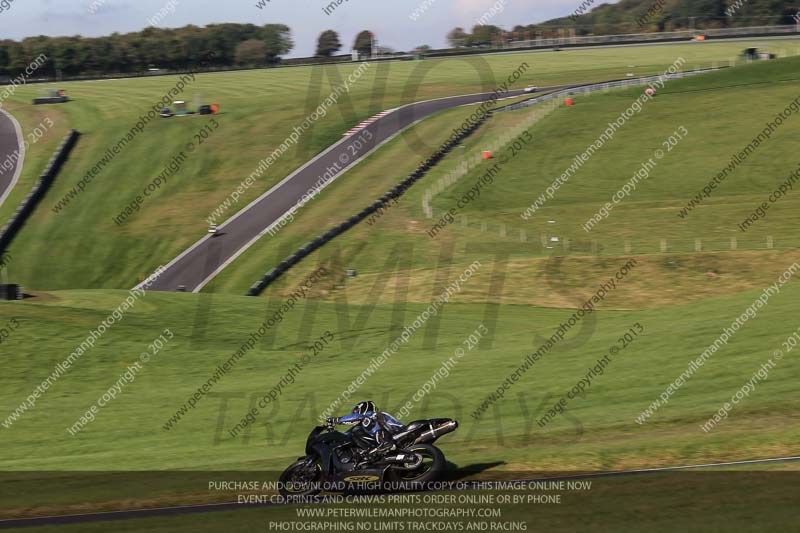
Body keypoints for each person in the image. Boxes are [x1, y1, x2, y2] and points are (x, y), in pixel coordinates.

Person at [326, 401, 404, 457]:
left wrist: (336, 420)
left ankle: (384, 442)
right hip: (389, 444)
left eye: (356, 412)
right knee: (355, 432)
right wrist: (333, 437)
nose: (354, 414)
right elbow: (346, 436)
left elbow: (360, 417)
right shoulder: (362, 426)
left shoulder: (373, 415)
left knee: (364, 422)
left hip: (397, 435)